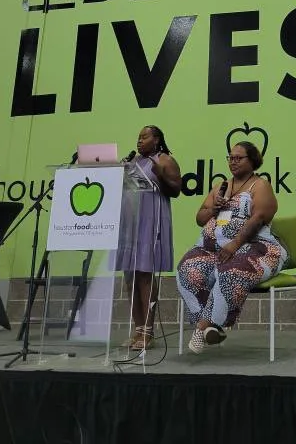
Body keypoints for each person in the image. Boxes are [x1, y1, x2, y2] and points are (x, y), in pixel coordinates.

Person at [176, 140, 286, 353]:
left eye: (238, 158)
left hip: (256, 249)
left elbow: (259, 218)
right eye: (230, 158)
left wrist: (234, 245)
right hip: (214, 250)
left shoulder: (260, 185)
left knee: (231, 270)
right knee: (187, 270)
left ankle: (202, 328)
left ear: (252, 160)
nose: (232, 162)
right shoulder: (221, 186)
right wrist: (213, 209)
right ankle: (210, 327)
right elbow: (200, 217)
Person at [116, 125, 181, 351]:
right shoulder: (133, 162)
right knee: (130, 276)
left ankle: (148, 332)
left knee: (144, 275)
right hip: (131, 222)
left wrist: (162, 175)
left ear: (157, 139)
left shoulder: (165, 160)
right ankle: (137, 329)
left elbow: (176, 190)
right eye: (138, 137)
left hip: (151, 221)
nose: (139, 141)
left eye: (144, 137)